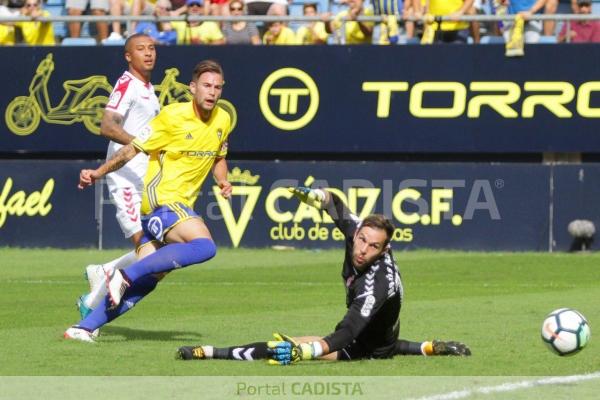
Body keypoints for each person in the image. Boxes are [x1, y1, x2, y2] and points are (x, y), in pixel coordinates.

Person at [177, 187, 471, 362]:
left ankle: (208, 352)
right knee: (386, 342)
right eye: (362, 240)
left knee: (283, 348)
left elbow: (346, 334)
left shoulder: (376, 284)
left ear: (385, 250)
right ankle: (427, 347)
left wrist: (304, 352)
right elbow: (336, 203)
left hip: (363, 343)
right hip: (383, 334)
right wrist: (316, 195)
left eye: (373, 247)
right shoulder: (357, 231)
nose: (362, 250)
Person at [64, 59, 234, 343]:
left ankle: (83, 328)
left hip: (179, 208)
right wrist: (98, 173)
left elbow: (219, 156)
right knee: (205, 246)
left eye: (217, 87)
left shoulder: (223, 120)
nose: (212, 92)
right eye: (206, 85)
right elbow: (131, 150)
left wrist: (222, 180)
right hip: (162, 204)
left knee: (149, 280)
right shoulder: (171, 116)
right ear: (192, 88)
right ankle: (123, 275)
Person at [75, 33, 160, 331]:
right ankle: (94, 305)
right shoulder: (127, 84)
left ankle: (103, 271)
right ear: (128, 55)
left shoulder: (150, 90)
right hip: (125, 178)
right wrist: (142, 144)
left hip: (146, 178)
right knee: (148, 252)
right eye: (140, 49)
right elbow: (107, 125)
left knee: (156, 249)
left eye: (151, 48)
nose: (148, 54)